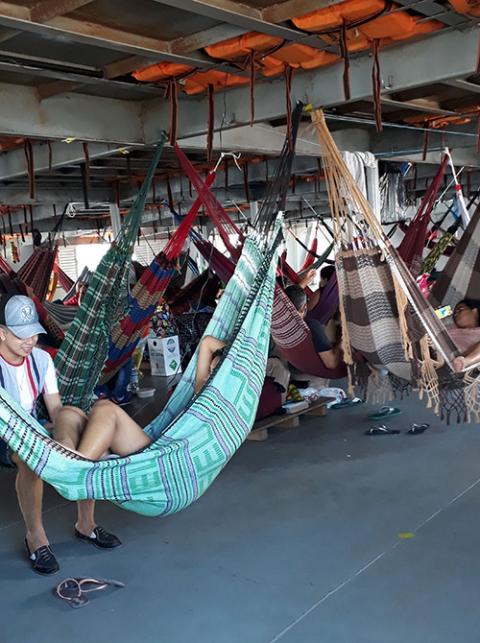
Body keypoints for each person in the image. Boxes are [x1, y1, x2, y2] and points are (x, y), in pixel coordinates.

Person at [0, 294, 121, 576]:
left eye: (34, 334)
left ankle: (86, 525)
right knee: (32, 459)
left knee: (83, 438)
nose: (30, 341)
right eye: (22, 336)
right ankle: (36, 538)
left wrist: (65, 432)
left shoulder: (41, 359)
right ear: (2, 334)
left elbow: (55, 409)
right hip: (4, 435)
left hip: (32, 427)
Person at [53, 335, 227, 462]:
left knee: (106, 409)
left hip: (166, 457)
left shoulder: (221, 402)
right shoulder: (201, 389)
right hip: (159, 442)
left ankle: (77, 467)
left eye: (213, 373)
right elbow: (207, 342)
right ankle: (65, 451)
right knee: (69, 412)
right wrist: (232, 350)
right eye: (209, 371)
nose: (206, 376)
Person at [285, 284, 342, 370]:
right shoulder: (312, 327)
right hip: (308, 373)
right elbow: (332, 363)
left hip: (288, 364)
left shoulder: (279, 323)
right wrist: (343, 339)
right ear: (304, 308)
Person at [449, 299, 480, 373]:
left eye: (460, 309)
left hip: (455, 366)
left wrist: (465, 361)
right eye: (454, 312)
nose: (455, 313)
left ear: (474, 311)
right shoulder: (450, 328)